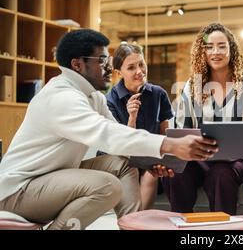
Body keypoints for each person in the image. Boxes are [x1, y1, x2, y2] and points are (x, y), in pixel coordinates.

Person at [0, 29, 218, 230]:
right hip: (18, 190)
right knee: (107, 185)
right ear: (77, 65)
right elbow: (107, 134)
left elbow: (119, 138)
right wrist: (170, 144)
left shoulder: (93, 96)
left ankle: (133, 227)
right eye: (102, 60)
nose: (109, 66)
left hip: (50, 177)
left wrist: (153, 162)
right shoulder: (61, 97)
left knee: (122, 164)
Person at [163, 23, 243, 215]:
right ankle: (182, 225)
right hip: (200, 158)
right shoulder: (193, 86)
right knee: (177, 171)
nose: (215, 52)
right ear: (203, 51)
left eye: (221, 46)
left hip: (236, 161)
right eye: (209, 47)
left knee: (220, 173)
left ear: (231, 49)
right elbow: (182, 128)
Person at [105, 43, 173, 210]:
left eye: (141, 64)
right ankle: (136, 223)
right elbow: (120, 143)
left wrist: (168, 157)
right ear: (119, 73)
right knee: (133, 170)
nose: (139, 71)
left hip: (149, 155)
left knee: (152, 173)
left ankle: (140, 223)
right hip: (121, 156)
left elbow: (165, 133)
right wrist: (132, 118)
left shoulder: (158, 94)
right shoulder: (109, 100)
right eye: (131, 67)